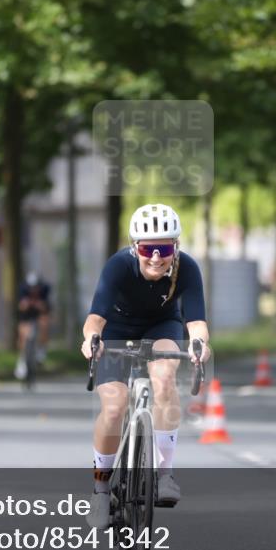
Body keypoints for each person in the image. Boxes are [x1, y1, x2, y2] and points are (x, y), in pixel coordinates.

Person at [80, 203, 210, 530]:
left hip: (161, 327)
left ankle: (164, 475)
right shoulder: (118, 266)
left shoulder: (188, 269)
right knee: (114, 406)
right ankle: (100, 489)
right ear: (134, 246)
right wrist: (91, 338)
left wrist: (199, 345)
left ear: (175, 247)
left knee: (165, 379)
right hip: (117, 331)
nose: (155, 256)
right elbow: (95, 318)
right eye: (147, 248)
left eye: (164, 248)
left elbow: (195, 322)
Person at [15, 271, 52, 379]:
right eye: (32, 287)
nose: (34, 289)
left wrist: (38, 305)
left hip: (40, 314)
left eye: (36, 287)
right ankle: (22, 360)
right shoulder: (22, 289)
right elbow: (21, 307)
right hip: (26, 315)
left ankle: (41, 350)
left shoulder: (45, 289)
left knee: (44, 323)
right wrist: (26, 304)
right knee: (23, 333)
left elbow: (45, 308)